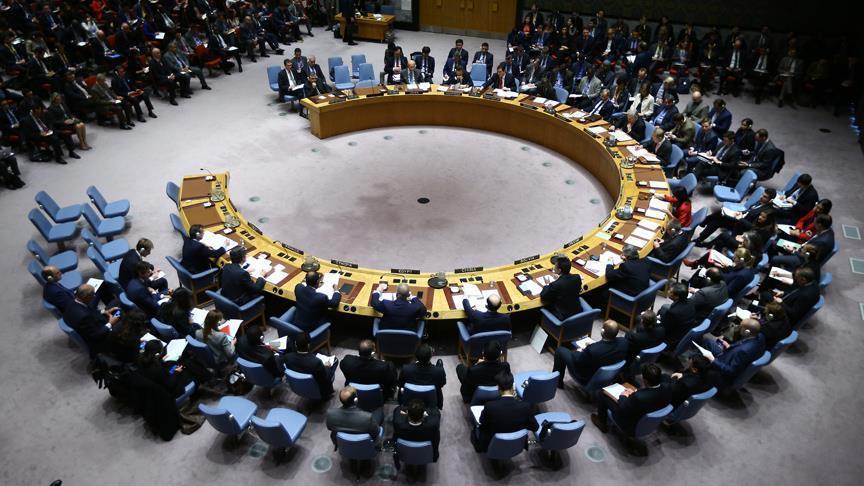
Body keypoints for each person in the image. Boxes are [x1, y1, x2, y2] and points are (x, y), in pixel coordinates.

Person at [591, 363, 672, 435]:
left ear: (645, 381)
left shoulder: (638, 397)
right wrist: (636, 392)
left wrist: (623, 395)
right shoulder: (667, 387)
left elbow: (622, 408)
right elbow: (650, 394)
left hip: (629, 423)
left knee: (602, 393)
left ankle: (601, 423)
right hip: (647, 420)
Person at [552, 320, 628, 388]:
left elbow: (578, 361)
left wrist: (578, 351)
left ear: (602, 331)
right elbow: (606, 348)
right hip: (607, 374)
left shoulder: (592, 350)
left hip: (586, 377)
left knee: (560, 351)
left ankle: (557, 383)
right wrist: (593, 346)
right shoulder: (624, 342)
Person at [471, 372, 534, 453]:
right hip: (515, 446)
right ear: (513, 386)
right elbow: (534, 427)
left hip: (492, 444)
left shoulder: (490, 406)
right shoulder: (526, 406)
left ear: (498, 387)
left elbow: (482, 422)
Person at [702, 318, 765, 388]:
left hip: (722, 374)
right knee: (707, 340)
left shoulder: (743, 351)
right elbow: (741, 346)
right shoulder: (760, 337)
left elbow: (730, 371)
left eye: (740, 327)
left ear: (747, 332)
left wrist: (712, 360)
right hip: (728, 355)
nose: (737, 327)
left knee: (699, 359)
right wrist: (729, 347)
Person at [63, 284, 121, 355]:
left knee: (117, 302)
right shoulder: (84, 317)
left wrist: (104, 311)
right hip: (100, 337)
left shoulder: (74, 302)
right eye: (93, 294)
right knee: (124, 320)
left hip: (94, 322)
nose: (94, 296)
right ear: (86, 297)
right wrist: (110, 323)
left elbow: (90, 311)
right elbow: (97, 335)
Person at [283, 332, 337, 398]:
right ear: (308, 345)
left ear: (295, 344)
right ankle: (328, 392)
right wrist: (327, 367)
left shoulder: (287, 357)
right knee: (335, 360)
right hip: (317, 387)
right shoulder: (316, 363)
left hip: (298, 385)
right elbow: (325, 378)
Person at [392, 399, 441, 465]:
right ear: (423, 416)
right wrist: (426, 413)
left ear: (408, 415)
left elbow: (398, 409)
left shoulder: (398, 423)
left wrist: (408, 411)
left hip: (405, 455)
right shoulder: (433, 425)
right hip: (425, 455)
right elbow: (436, 412)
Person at [399, 344, 446, 408]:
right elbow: (442, 384)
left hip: (410, 398)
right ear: (431, 356)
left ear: (416, 356)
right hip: (431, 399)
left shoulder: (406, 369)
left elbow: (401, 383)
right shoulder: (439, 371)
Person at [540, 255, 583, 320]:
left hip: (563, 316)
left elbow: (543, 296)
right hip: (578, 311)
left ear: (559, 270)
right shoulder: (577, 277)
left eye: (555, 266)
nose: (554, 268)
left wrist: (547, 284)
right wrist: (559, 279)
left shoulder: (555, 285)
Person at [659, 283, 696, 348]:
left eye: (670, 292)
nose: (668, 291)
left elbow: (665, 328)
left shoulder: (673, 312)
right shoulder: (691, 302)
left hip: (672, 339)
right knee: (664, 308)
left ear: (677, 297)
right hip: (684, 330)